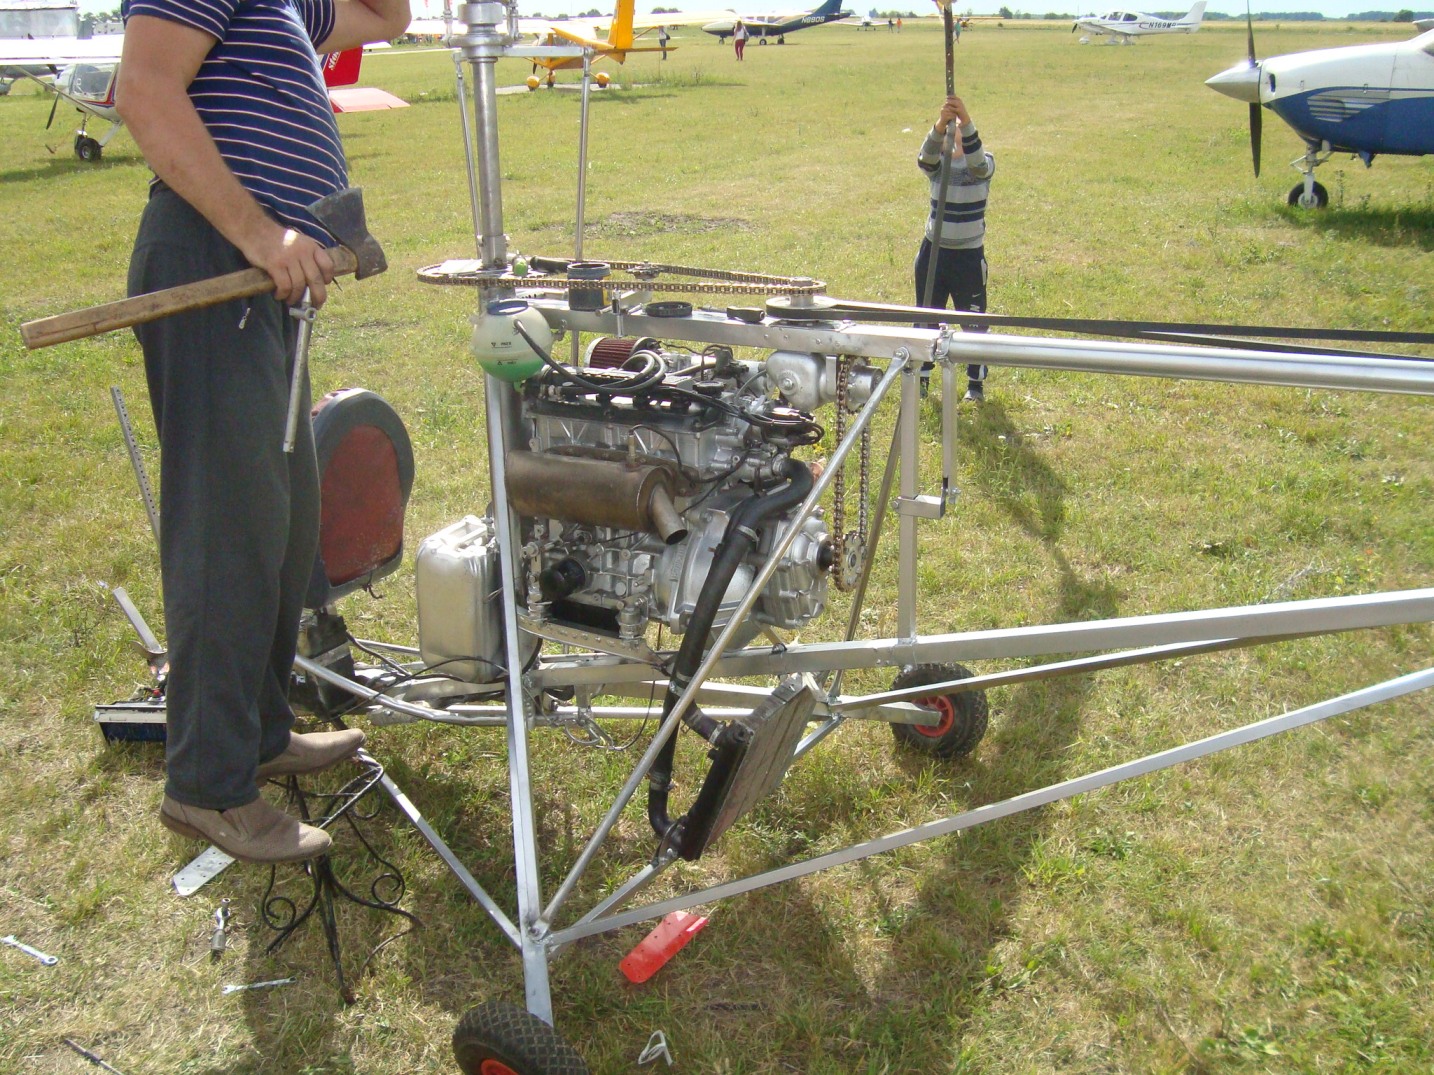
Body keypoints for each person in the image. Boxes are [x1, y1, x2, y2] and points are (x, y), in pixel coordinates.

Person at [114, 0, 411, 864]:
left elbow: (386, 18)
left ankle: (259, 733)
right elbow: (145, 88)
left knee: (282, 526)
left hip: (265, 289)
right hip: (215, 260)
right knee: (228, 529)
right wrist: (261, 232)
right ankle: (208, 784)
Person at [914, 94, 994, 402]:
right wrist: (939, 124)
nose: (951, 137)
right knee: (925, 317)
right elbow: (925, 158)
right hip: (934, 253)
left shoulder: (984, 164)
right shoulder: (938, 167)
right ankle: (921, 378)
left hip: (968, 258)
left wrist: (966, 120)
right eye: (947, 134)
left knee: (974, 323)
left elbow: (978, 162)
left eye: (957, 132)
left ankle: (975, 384)